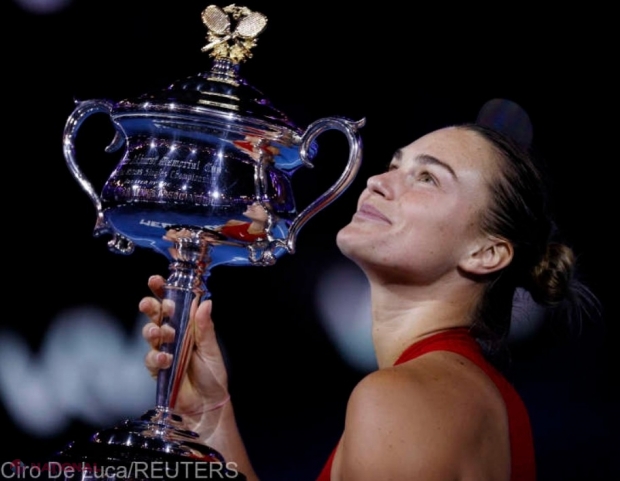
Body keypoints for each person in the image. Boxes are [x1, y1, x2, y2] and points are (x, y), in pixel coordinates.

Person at [140, 110, 593, 480]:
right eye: (395, 165)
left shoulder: (404, 399)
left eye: (428, 178)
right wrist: (208, 419)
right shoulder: (458, 393)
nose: (378, 180)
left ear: (486, 252)